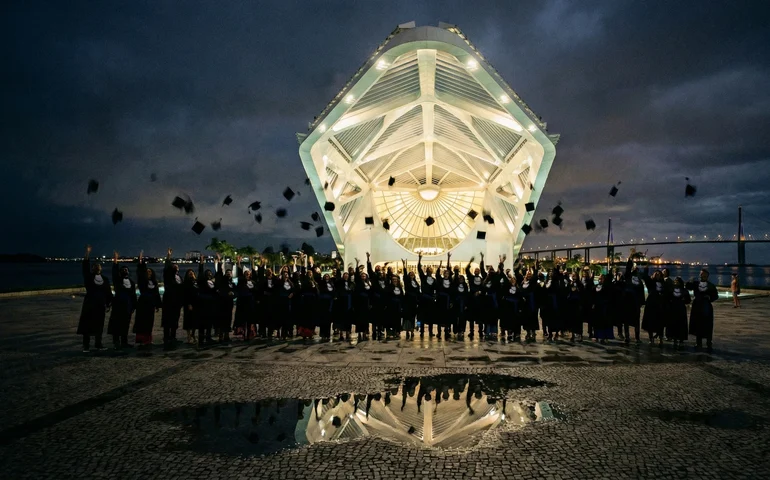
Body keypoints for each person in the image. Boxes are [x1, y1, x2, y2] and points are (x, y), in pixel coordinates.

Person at [78, 245, 113, 352]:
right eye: (95, 266)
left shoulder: (105, 279)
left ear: (101, 268)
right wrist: (87, 253)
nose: (97, 267)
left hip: (100, 305)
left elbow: (108, 292)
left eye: (99, 266)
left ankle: (98, 344)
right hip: (90, 304)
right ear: (92, 268)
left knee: (99, 325)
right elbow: (85, 266)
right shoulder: (89, 277)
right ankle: (86, 346)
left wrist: (108, 304)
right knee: (87, 325)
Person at [107, 251, 136, 349]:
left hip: (127, 306)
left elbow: (133, 295)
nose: (125, 271)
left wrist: (134, 306)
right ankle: (116, 342)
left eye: (126, 270)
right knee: (116, 323)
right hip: (118, 305)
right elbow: (114, 271)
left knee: (125, 324)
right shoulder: (117, 280)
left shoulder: (131, 282)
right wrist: (116, 260)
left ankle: (124, 341)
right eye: (123, 270)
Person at [686, 269, 719, 352]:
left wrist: (710, 298)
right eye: (701, 275)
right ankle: (698, 343)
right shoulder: (696, 284)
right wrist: (690, 281)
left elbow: (715, 296)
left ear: (707, 276)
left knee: (707, 325)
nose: (702, 276)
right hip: (697, 306)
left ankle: (708, 342)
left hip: (706, 306)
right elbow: (688, 287)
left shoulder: (711, 285)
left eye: (704, 275)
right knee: (698, 324)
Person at [134, 250, 161, 347]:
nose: (148, 272)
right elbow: (140, 272)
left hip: (151, 304)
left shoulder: (154, 283)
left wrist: (158, 305)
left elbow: (156, 293)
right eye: (147, 271)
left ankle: (148, 339)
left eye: (150, 271)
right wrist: (140, 260)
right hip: (143, 303)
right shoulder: (142, 281)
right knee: (142, 321)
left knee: (150, 321)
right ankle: (141, 339)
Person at [161, 248, 184, 350]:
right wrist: (168, 257)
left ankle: (173, 336)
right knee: (167, 319)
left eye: (177, 266)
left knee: (175, 319)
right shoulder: (168, 277)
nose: (176, 267)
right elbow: (166, 267)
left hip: (177, 301)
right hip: (168, 300)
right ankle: (166, 337)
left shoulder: (179, 278)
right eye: (174, 265)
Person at [234, 255, 258, 340]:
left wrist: (252, 262)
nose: (248, 275)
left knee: (250, 319)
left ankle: (249, 333)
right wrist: (239, 262)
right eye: (246, 274)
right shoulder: (241, 281)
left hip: (250, 302)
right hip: (243, 302)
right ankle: (244, 334)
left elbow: (255, 290)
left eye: (249, 274)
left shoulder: (253, 282)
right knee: (243, 319)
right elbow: (239, 272)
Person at [667, 277, 691, 350]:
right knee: (673, 324)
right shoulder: (671, 290)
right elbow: (668, 297)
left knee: (681, 324)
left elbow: (688, 300)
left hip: (681, 309)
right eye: (675, 281)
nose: (676, 282)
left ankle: (681, 339)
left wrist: (684, 300)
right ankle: (674, 339)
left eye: (677, 281)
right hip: (673, 308)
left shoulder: (684, 290)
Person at [417, 253, 437, 338]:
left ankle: (430, 331)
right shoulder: (423, 277)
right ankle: (421, 331)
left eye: (430, 269)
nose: (429, 270)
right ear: (426, 271)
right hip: (424, 299)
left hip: (431, 300)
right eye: (428, 269)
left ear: (432, 271)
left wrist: (435, 296)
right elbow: (419, 269)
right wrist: (419, 259)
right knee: (422, 315)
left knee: (431, 316)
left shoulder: (434, 280)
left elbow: (436, 289)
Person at [402, 259, 419, 339]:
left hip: (414, 301)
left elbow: (418, 291)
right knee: (407, 316)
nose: (412, 276)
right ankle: (407, 331)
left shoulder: (416, 283)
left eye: (413, 275)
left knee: (413, 316)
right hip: (408, 301)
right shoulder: (407, 282)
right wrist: (404, 266)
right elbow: (404, 275)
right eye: (411, 274)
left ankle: (412, 330)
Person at [181, 267, 198, 344]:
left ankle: (193, 335)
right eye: (190, 273)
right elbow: (186, 294)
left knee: (195, 320)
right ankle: (189, 336)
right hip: (189, 303)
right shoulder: (186, 283)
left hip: (196, 303)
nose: (191, 274)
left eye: (192, 273)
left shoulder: (195, 282)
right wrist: (189, 304)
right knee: (188, 321)